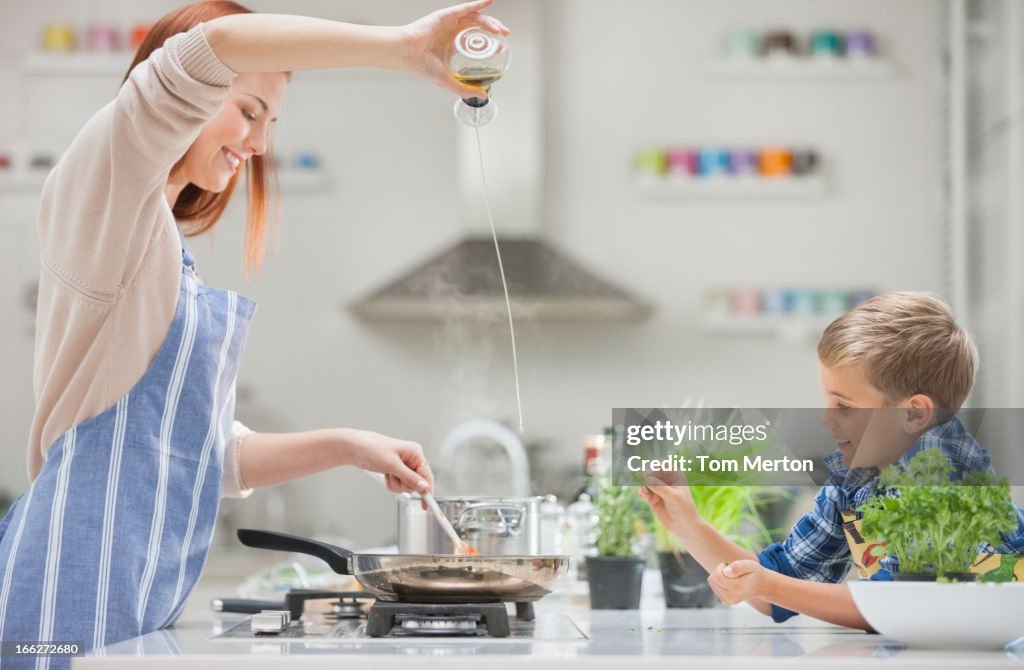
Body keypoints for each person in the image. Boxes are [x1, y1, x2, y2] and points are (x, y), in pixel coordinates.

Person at [0, 0, 508, 660]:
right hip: (61, 601)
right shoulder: (107, 182)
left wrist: (352, 445)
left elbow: (205, 458)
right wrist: (404, 47)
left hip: (132, 607)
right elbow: (213, 45)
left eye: (271, 121)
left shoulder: (157, 248)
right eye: (247, 110)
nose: (260, 143)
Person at [642, 292, 1024, 630]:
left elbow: (901, 604)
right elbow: (776, 588)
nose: (826, 418)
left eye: (843, 405)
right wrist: (687, 524)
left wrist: (768, 584)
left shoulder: (945, 470)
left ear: (913, 415)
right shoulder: (855, 476)